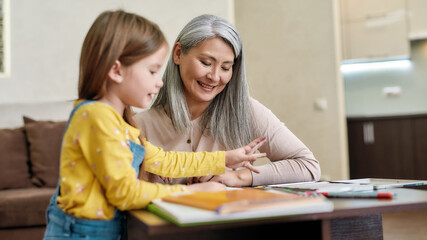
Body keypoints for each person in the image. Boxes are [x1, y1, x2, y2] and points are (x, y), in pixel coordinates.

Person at [43, 10, 267, 239]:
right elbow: (125, 192)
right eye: (152, 71)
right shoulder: (96, 117)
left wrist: (224, 159)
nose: (160, 82)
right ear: (116, 70)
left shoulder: (118, 121)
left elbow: (163, 160)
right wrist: (193, 192)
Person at [135, 14, 321, 187]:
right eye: (206, 63)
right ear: (178, 54)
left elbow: (308, 166)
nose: (215, 77)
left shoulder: (246, 112)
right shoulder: (138, 126)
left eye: (226, 67)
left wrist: (237, 177)